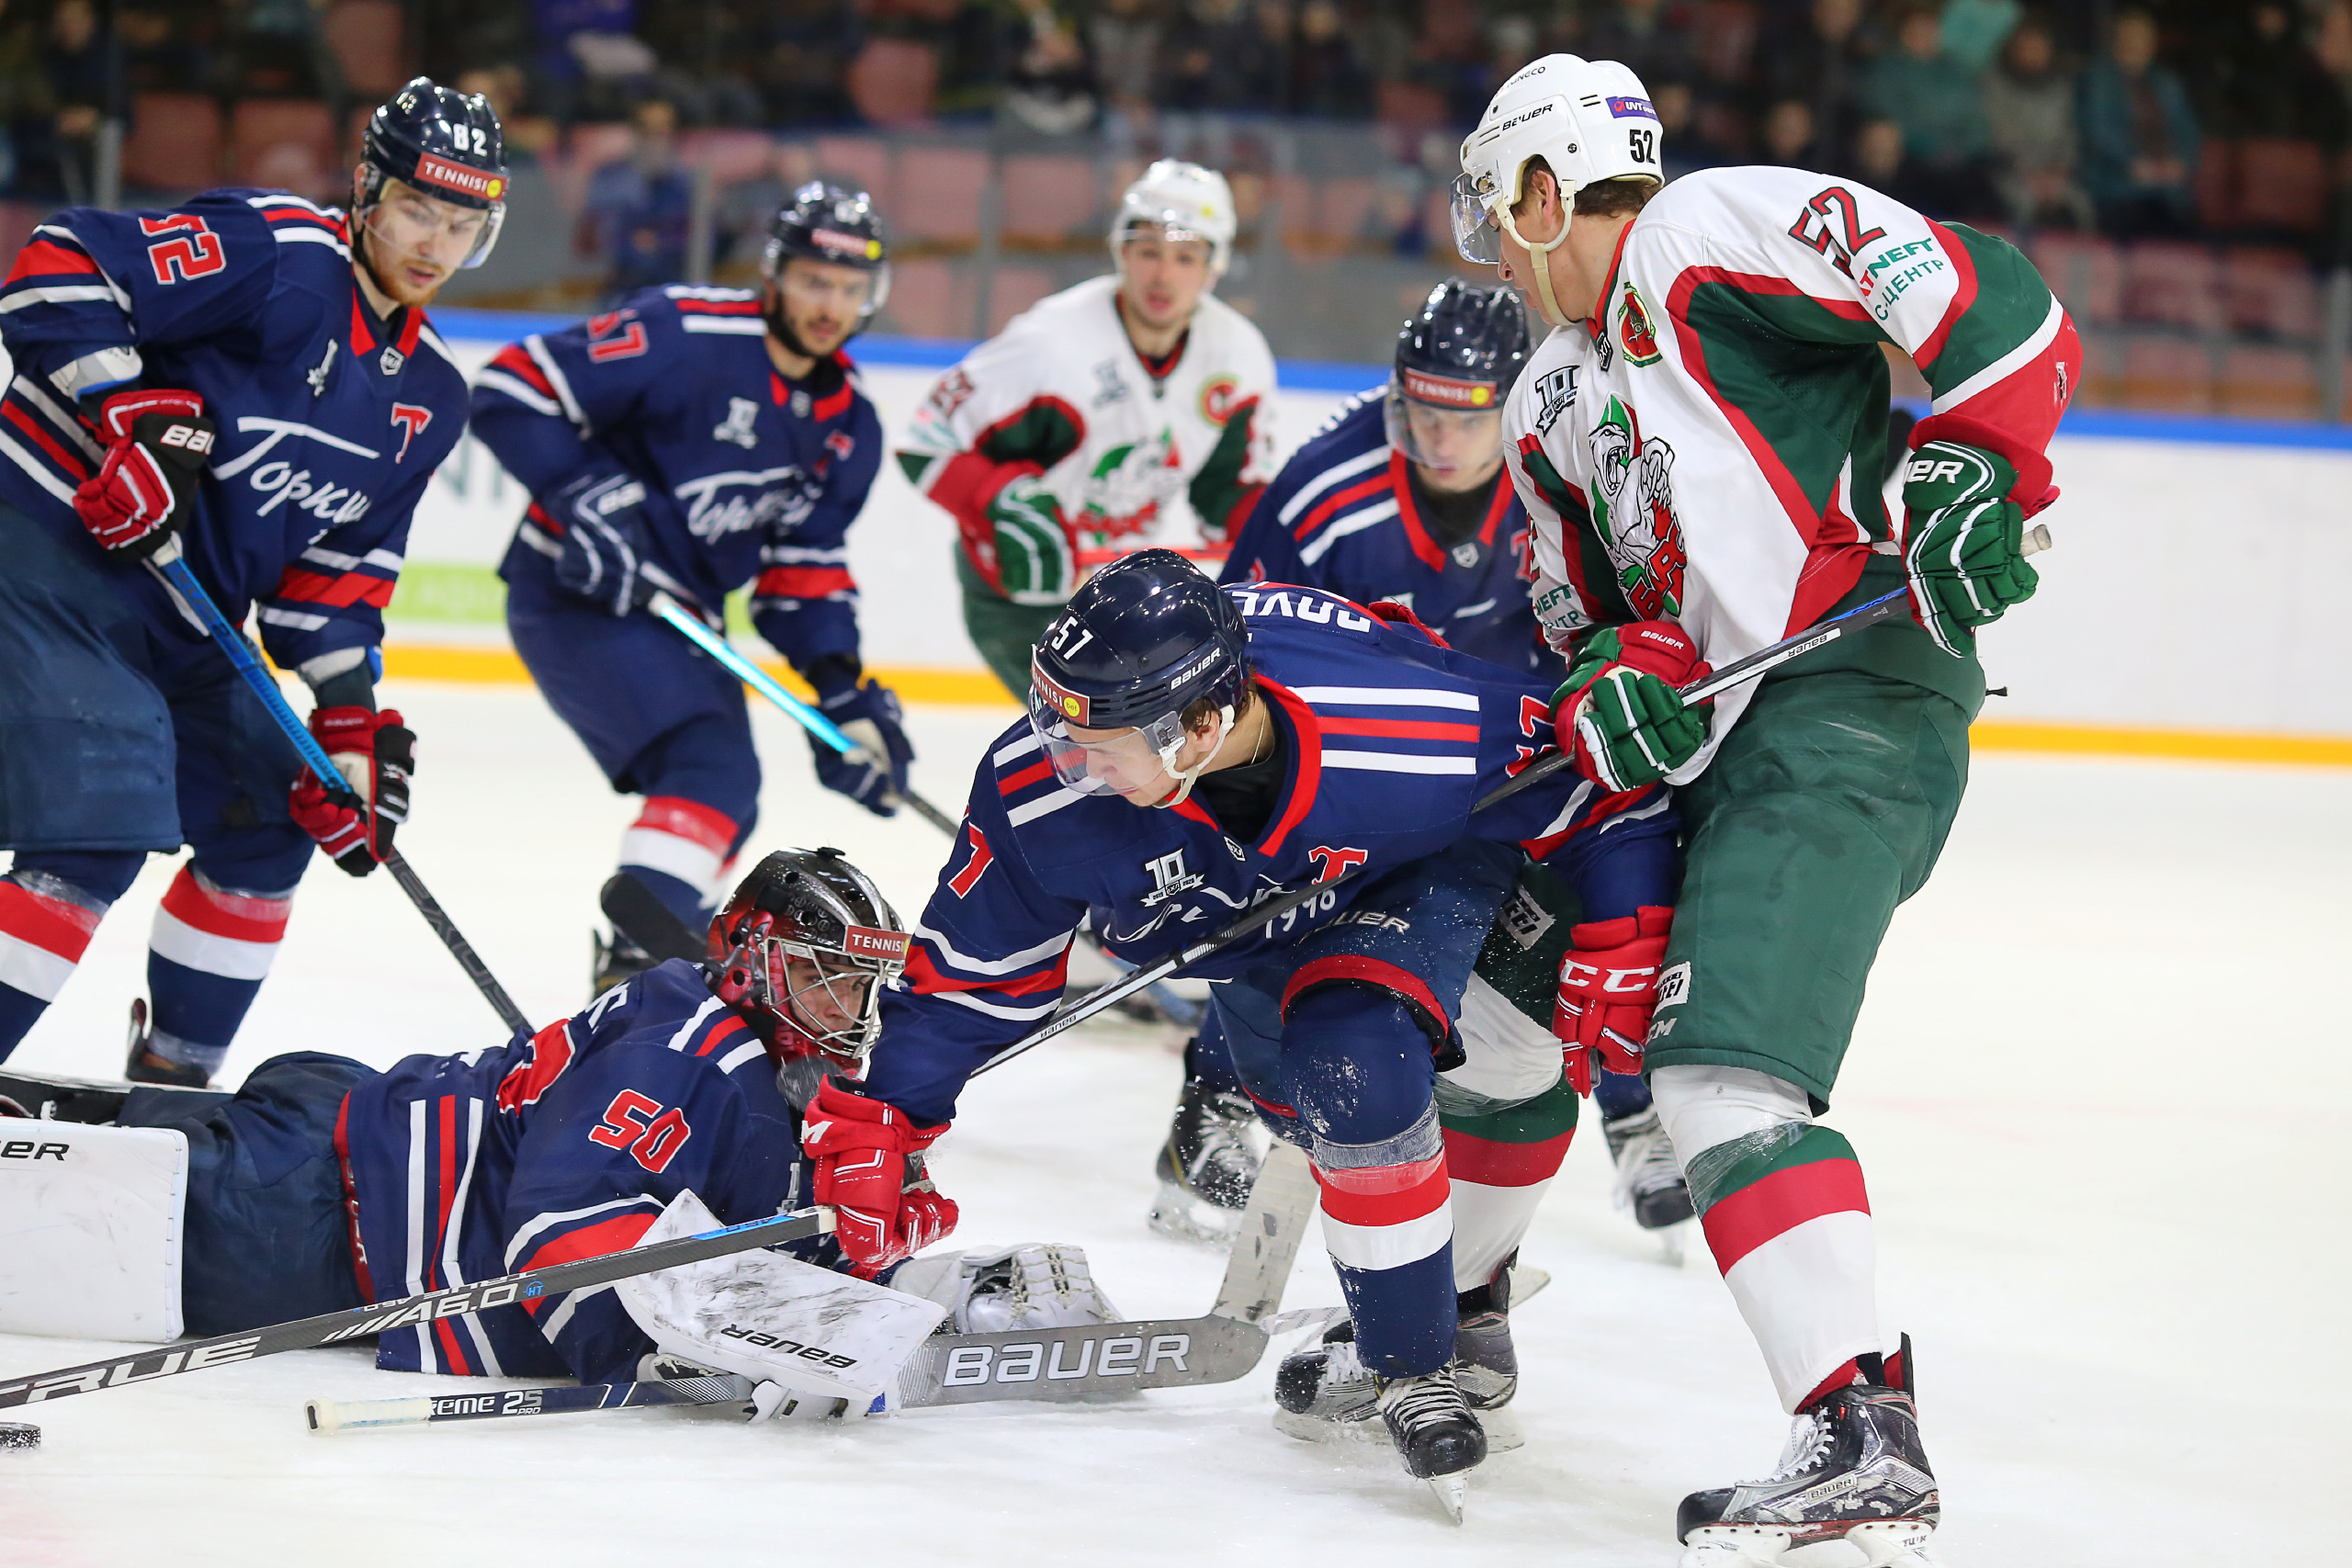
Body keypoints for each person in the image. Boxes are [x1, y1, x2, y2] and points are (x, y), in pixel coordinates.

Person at [1455, 52, 2076, 1566]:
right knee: (1510, 1004)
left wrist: (1974, 472)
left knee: (1723, 1084)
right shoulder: (1550, 398)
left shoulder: (1705, 229)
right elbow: (1611, 618)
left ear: (1544, 189)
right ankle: (1439, 1324)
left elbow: (1997, 307)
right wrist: (1620, 677)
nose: (1494, 245)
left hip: (1852, 700)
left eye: (1498, 209)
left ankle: (1861, 1430)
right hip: (1713, 749)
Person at [797, 549, 1680, 1499]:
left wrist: (1623, 932)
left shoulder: (1402, 728)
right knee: (1346, 1105)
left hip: (1406, 872)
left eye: (1097, 742)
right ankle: (1451, 1297)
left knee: (1370, 1066)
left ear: (1201, 725)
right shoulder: (1044, 787)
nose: (1065, 763)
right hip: (1250, 938)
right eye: (1055, 724)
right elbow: (970, 979)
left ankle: (1418, 1360)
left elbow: (1597, 787)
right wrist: (886, 1115)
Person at [0, 850, 929, 1393]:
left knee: (125, 1156)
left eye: (856, 982)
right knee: (53, 1209)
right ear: (752, 958)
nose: (844, 1003)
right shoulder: (683, 1060)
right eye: (820, 973)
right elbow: (558, 1234)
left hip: (347, 1145)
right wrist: (655, 1356)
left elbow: (708, 1225)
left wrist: (846, 1241)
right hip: (311, 1224)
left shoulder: (732, 1055)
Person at [0, 77, 500, 1085]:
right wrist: (122, 416)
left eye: (460, 223)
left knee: (277, 807)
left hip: (185, 618)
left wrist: (352, 727)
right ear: (366, 191)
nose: (433, 244)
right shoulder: (279, 255)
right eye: (415, 209)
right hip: (46, 554)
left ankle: (173, 1091)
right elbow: (54, 270)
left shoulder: (433, 397)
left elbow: (334, 579)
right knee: (97, 822)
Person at [1208, 277, 1694, 1247]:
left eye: (1467, 417)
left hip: (1524, 747)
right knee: (1268, 916)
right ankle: (1219, 1098)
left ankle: (1636, 1118)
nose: (1441, 440)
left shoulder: (1569, 461)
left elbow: (1636, 611)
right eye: (1423, 409)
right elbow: (1236, 648)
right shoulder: (1322, 489)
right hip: (1367, 762)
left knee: (1616, 915)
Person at [470, 182, 910, 993]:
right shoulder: (682, 332)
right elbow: (513, 388)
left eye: (850, 289)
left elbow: (799, 572)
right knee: (713, 770)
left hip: (680, 614)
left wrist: (841, 694)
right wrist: (587, 494)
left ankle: (663, 964)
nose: (831, 305)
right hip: (577, 591)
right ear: (775, 277)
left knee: (727, 803)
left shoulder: (850, 424)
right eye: (816, 280)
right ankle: (637, 979)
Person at [898, 160, 1277, 701]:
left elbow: (1227, 494)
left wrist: (1272, 546)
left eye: (1186, 257)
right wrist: (998, 499)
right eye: (1148, 251)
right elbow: (925, 441)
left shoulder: (1237, 355)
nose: (1163, 275)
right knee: (1096, 750)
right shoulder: (1051, 343)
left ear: (1214, 266)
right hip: (1020, 594)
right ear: (1121, 251)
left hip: (1116, 591)